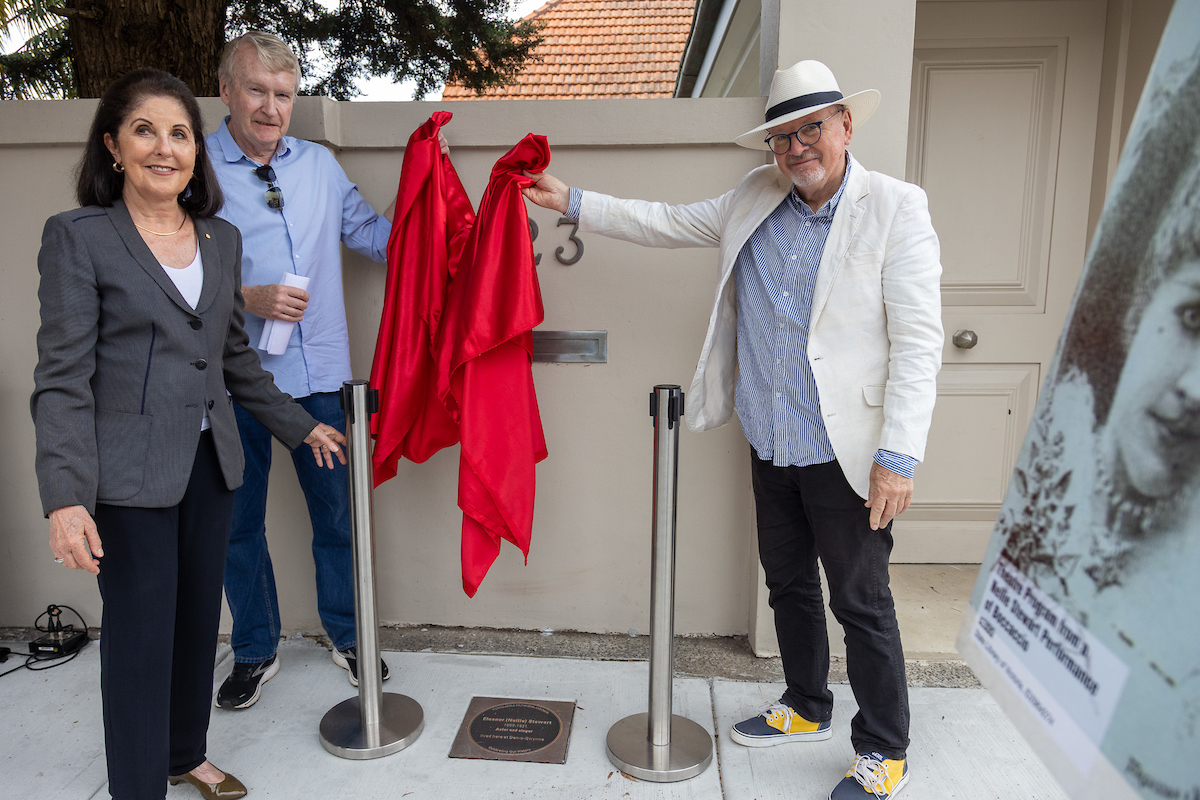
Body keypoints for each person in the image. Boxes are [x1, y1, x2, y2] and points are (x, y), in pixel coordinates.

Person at [522, 60, 943, 800]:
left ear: (845, 125)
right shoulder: (756, 195)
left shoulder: (897, 209)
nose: (797, 147)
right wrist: (573, 200)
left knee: (860, 599)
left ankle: (883, 748)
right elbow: (664, 221)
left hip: (847, 452)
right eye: (783, 136)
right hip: (771, 436)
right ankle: (807, 704)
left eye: (812, 128)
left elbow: (918, 340)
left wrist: (897, 457)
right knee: (786, 584)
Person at [31, 68, 346, 800]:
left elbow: (235, 359)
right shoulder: (79, 238)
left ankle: (184, 754)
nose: (165, 148)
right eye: (145, 130)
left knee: (200, 619)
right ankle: (137, 786)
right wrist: (65, 498)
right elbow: (62, 379)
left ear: (195, 154)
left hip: (212, 464)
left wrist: (301, 429)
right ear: (113, 145)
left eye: (179, 134)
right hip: (129, 476)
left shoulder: (220, 237)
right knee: (142, 639)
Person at [206, 30, 398, 709]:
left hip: (323, 381)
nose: (269, 107)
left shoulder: (318, 166)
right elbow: (167, 276)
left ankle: (349, 637)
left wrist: (443, 219)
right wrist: (246, 298)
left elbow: (373, 237)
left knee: (339, 516)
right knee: (237, 523)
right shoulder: (193, 168)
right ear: (226, 90)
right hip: (237, 383)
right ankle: (255, 650)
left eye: (283, 95)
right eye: (256, 90)